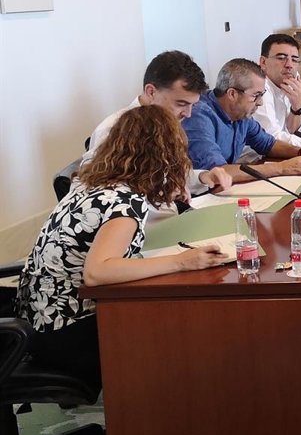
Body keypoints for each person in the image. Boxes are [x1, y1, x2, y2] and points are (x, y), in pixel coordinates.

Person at [16, 106, 227, 387]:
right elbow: (97, 272)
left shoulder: (90, 181)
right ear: (164, 156)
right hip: (65, 333)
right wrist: (182, 261)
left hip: (36, 320)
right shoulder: (125, 203)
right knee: (180, 331)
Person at [82, 50, 232, 204]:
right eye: (181, 104)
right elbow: (98, 195)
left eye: (192, 105)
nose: (188, 114)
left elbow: (170, 175)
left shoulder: (168, 124)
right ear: (151, 92)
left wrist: (203, 177)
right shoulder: (112, 130)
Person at [182, 59, 301, 183]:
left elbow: (268, 144)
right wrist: (281, 168)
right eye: (256, 95)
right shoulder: (198, 116)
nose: (260, 102)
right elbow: (217, 172)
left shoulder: (240, 114)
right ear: (232, 94)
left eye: (262, 95)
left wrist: (300, 151)